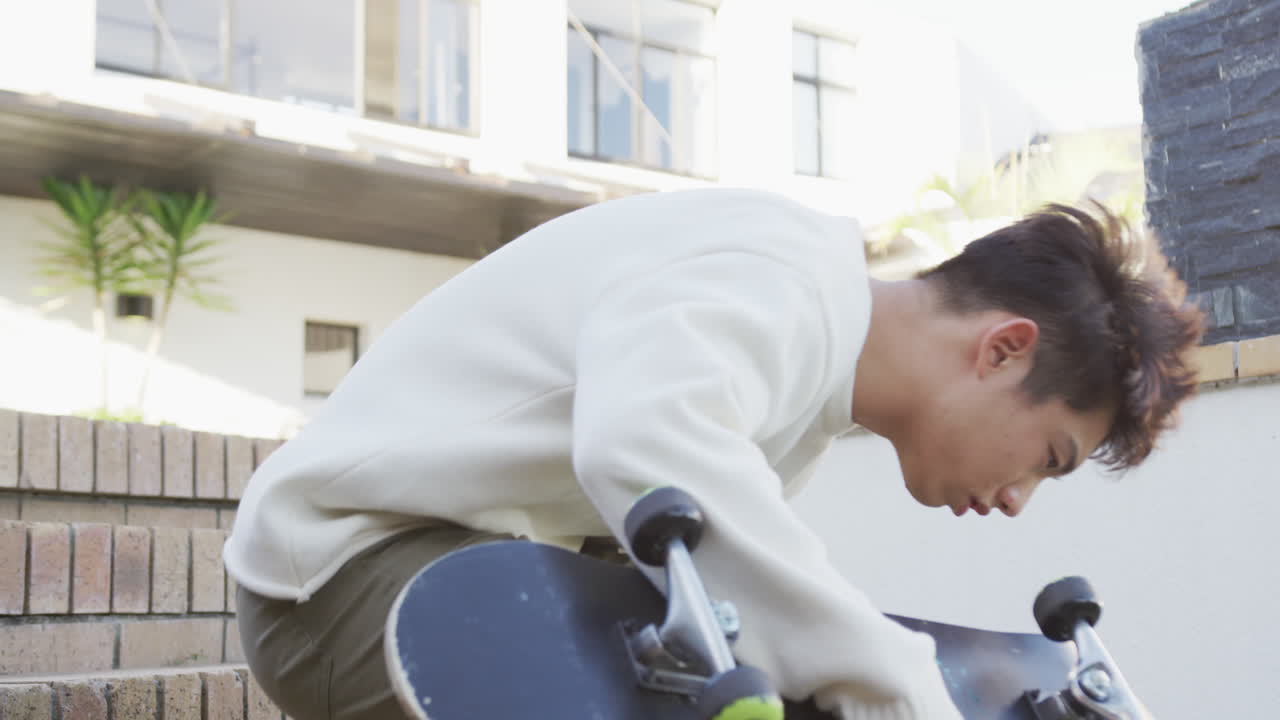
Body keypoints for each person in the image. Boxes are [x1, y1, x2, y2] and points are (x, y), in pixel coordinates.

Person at [224, 187, 1203, 720]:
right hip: (344, 576)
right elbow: (644, 441)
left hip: (473, 568)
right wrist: (888, 672)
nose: (1017, 498)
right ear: (1001, 348)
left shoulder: (806, 383)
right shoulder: (773, 269)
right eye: (1048, 456)